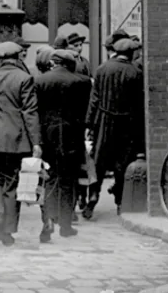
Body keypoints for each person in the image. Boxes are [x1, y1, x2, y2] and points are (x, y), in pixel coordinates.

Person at [0, 40, 42, 246]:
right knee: (11, 183)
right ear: (17, 58)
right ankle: (7, 230)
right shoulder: (25, 78)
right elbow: (30, 112)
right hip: (18, 140)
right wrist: (36, 142)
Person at [83, 30, 144, 219]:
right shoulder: (135, 72)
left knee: (98, 162)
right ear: (131, 53)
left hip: (103, 122)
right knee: (122, 163)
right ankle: (119, 203)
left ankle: (92, 197)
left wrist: (89, 125)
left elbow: (94, 100)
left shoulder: (101, 70)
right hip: (126, 124)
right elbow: (138, 104)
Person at [34, 49, 90, 242]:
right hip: (72, 136)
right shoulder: (82, 82)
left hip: (48, 136)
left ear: (53, 62)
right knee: (69, 180)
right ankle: (65, 225)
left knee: (50, 179)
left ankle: (48, 220)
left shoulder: (40, 81)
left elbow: (37, 112)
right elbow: (85, 113)